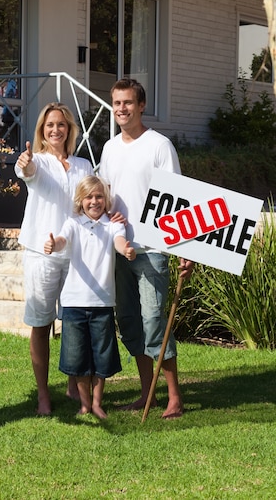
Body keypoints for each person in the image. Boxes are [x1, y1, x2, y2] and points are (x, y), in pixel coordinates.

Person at [99, 78, 194, 419]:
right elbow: (105, 195)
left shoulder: (159, 146)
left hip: (153, 249)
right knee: (129, 321)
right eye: (116, 103)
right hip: (120, 248)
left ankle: (174, 396)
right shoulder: (109, 149)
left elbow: (179, 199)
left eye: (127, 103)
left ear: (141, 106)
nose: (121, 109)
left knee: (155, 321)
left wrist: (186, 249)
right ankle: (146, 393)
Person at [15, 102, 93, 415]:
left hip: (74, 253)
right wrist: (26, 163)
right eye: (49, 125)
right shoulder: (38, 162)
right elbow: (26, 171)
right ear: (42, 130)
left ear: (69, 129)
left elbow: (92, 203)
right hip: (41, 253)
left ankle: (73, 384)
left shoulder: (84, 165)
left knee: (74, 322)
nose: (55, 130)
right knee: (41, 322)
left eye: (61, 124)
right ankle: (43, 395)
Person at [44, 175, 136, 419]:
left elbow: (118, 241)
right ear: (80, 201)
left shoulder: (113, 225)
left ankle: (97, 403)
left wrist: (125, 248)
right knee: (77, 357)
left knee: (101, 357)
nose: (94, 201)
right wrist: (55, 244)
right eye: (89, 197)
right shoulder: (73, 223)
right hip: (74, 303)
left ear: (106, 200)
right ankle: (84, 403)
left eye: (99, 197)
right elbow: (63, 240)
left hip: (102, 304)